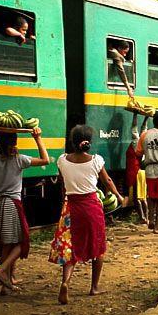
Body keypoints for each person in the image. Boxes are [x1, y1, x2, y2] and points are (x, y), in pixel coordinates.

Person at [50, 125, 125, 304]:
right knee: (98, 247)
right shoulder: (96, 161)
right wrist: (119, 197)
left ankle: (65, 282)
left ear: (72, 142)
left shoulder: (62, 160)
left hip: (70, 208)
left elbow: (62, 183)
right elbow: (106, 180)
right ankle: (94, 287)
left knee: (71, 248)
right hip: (91, 207)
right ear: (88, 142)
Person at [0, 127, 49, 294]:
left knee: (7, 244)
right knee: (22, 241)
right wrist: (38, 138)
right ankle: (2, 269)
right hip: (11, 204)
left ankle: (4, 287)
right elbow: (45, 160)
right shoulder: (19, 159)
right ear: (15, 142)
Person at [126, 112, 149, 225]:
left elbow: (134, 130)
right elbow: (143, 131)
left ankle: (142, 217)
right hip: (143, 172)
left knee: (136, 198)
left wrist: (135, 115)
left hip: (135, 171)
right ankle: (147, 217)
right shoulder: (144, 143)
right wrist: (146, 117)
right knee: (143, 196)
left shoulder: (136, 143)